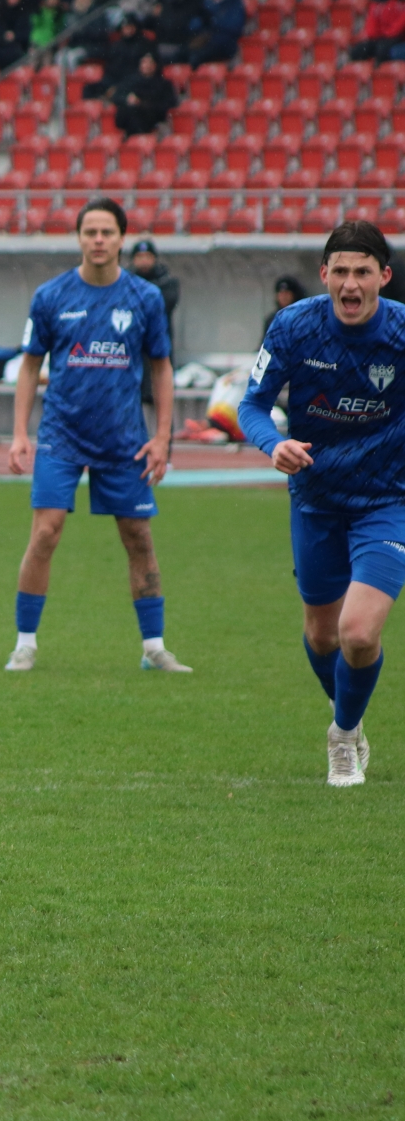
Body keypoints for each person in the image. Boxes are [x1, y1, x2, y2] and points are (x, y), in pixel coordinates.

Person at [238, 222, 404, 785]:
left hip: (387, 500)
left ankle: (342, 735)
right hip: (315, 498)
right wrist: (273, 443)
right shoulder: (294, 326)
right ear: (324, 274)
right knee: (321, 636)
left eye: (363, 272)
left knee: (358, 632)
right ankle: (349, 716)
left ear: (383, 276)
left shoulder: (402, 333)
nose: (351, 284)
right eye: (341, 271)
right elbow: (252, 405)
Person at [5, 197, 188, 674]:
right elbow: (29, 366)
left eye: (107, 232)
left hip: (124, 439)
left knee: (139, 538)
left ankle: (154, 648)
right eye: (90, 232)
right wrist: (19, 433)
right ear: (79, 238)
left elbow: (162, 367)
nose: (99, 240)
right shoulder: (51, 296)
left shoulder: (145, 298)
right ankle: (25, 644)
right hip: (61, 435)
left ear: (122, 238)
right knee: (45, 533)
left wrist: (162, 437)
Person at [129, 238, 181, 358]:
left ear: (154, 259)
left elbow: (162, 304)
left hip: (159, 343)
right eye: (140, 257)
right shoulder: (126, 282)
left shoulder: (167, 282)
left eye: (148, 256)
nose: (144, 261)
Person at [265, 274, 306, 339]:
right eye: (281, 294)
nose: (284, 297)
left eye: (287, 293)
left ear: (294, 295)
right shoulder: (272, 320)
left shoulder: (303, 317)